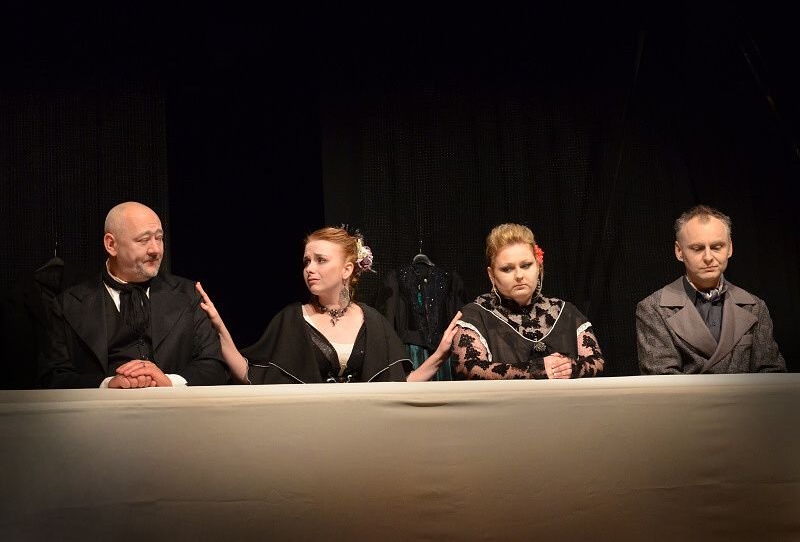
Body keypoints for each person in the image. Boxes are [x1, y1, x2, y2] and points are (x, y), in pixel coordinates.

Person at [197, 227, 459, 384]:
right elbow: (250, 376)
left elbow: (400, 385)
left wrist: (439, 356)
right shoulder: (292, 319)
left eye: (320, 260)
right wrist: (219, 328)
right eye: (306, 261)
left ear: (347, 269)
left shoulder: (373, 322)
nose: (309, 269)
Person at [38, 202, 229, 388]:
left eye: (159, 238)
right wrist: (107, 384)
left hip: (175, 407)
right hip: (102, 409)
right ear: (111, 245)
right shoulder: (68, 304)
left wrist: (169, 381)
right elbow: (52, 376)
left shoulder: (188, 294)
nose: (155, 249)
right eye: (143, 240)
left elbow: (215, 366)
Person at [636, 205, 786, 374]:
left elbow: (772, 376)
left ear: (729, 248)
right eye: (697, 248)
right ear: (679, 251)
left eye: (716, 247)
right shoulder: (653, 309)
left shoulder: (754, 306)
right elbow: (663, 381)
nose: (708, 257)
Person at [451, 223, 604, 379]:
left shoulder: (566, 312)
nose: (519, 275)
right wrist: (535, 370)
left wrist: (571, 368)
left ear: (538, 266)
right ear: (492, 275)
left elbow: (597, 362)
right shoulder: (475, 316)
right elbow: (469, 368)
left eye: (526, 266)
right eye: (507, 269)